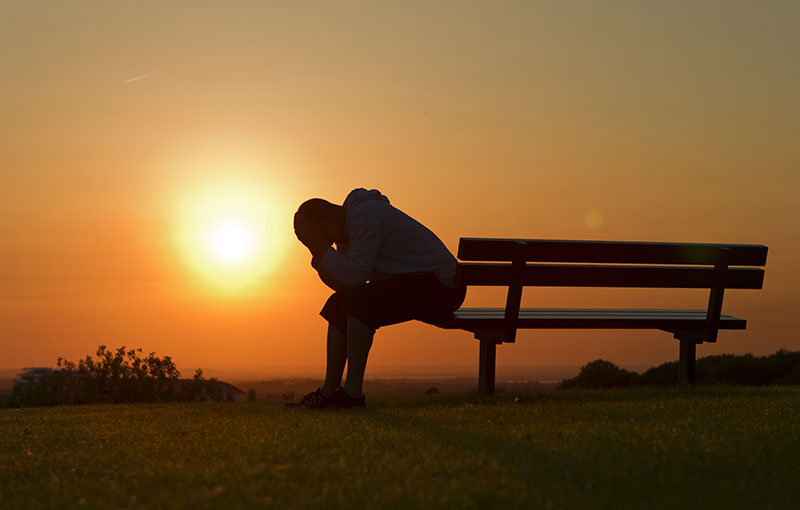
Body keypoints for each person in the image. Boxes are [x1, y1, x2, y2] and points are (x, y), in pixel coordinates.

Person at [291, 188, 466, 409]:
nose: (325, 241)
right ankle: (328, 391)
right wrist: (317, 252)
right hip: (420, 283)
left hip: (442, 288)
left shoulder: (365, 217)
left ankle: (352, 394)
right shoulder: (348, 230)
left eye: (318, 234)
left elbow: (354, 279)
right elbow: (343, 286)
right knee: (338, 303)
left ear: (327, 218)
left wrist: (320, 248)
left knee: (360, 302)